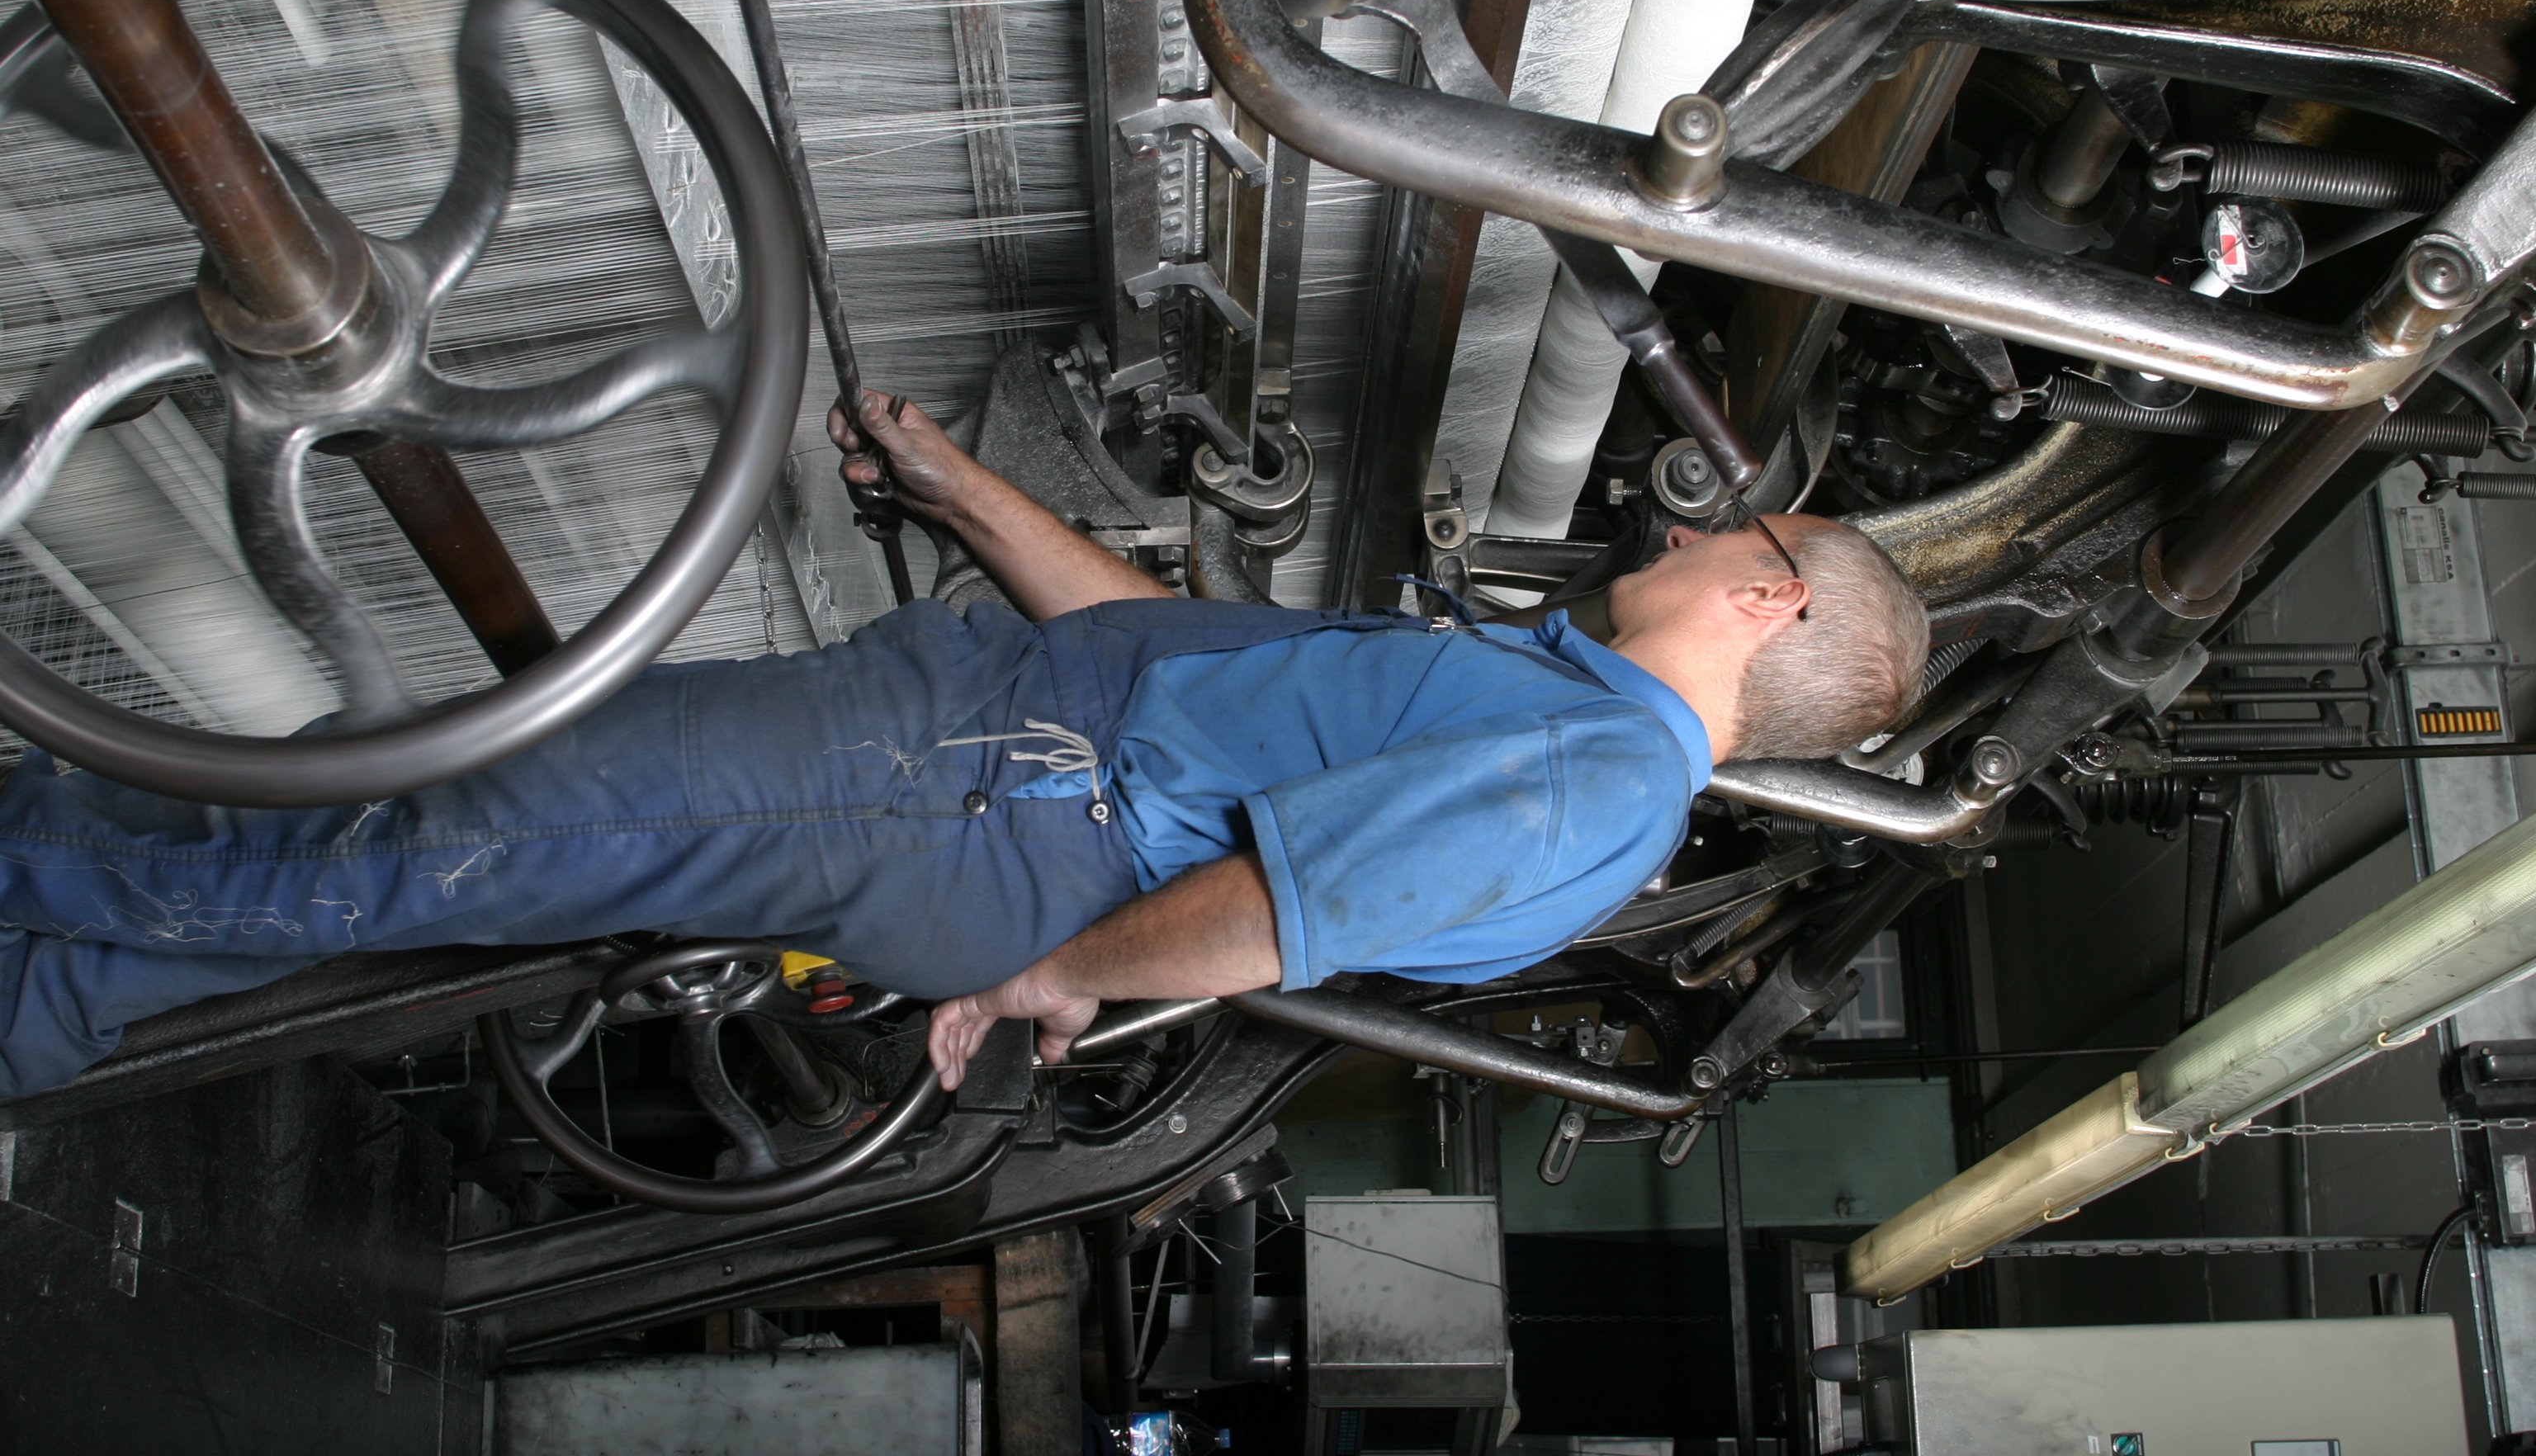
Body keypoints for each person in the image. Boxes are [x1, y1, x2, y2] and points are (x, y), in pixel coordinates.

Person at [0, 391, 1926, 1099]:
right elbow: (1156, 648)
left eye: (1716, 541)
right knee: (447, 809)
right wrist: (957, 484)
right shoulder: (1557, 706)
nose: (1675, 537)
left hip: (972, 801)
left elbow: (1270, 910)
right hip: (988, 746)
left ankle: (24, 855)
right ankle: (49, 990)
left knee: (459, 821)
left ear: (1768, 600)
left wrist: (1047, 973)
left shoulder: (1603, 787)